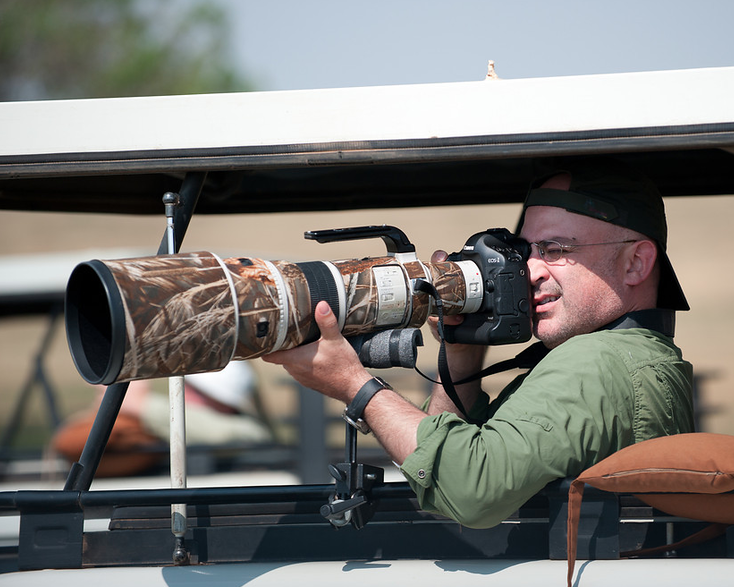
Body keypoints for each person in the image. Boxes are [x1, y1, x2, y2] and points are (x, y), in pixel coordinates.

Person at [263, 157, 694, 528]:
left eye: (557, 249)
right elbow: (449, 462)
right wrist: (464, 346)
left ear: (636, 262)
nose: (532, 271)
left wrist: (354, 386)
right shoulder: (636, 356)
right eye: (525, 252)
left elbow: (466, 488)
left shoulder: (598, 360)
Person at [52, 361, 273, 477]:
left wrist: (141, 405)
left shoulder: (247, 434)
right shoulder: (146, 433)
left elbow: (244, 435)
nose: (182, 395)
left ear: (225, 405)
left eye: (196, 391)